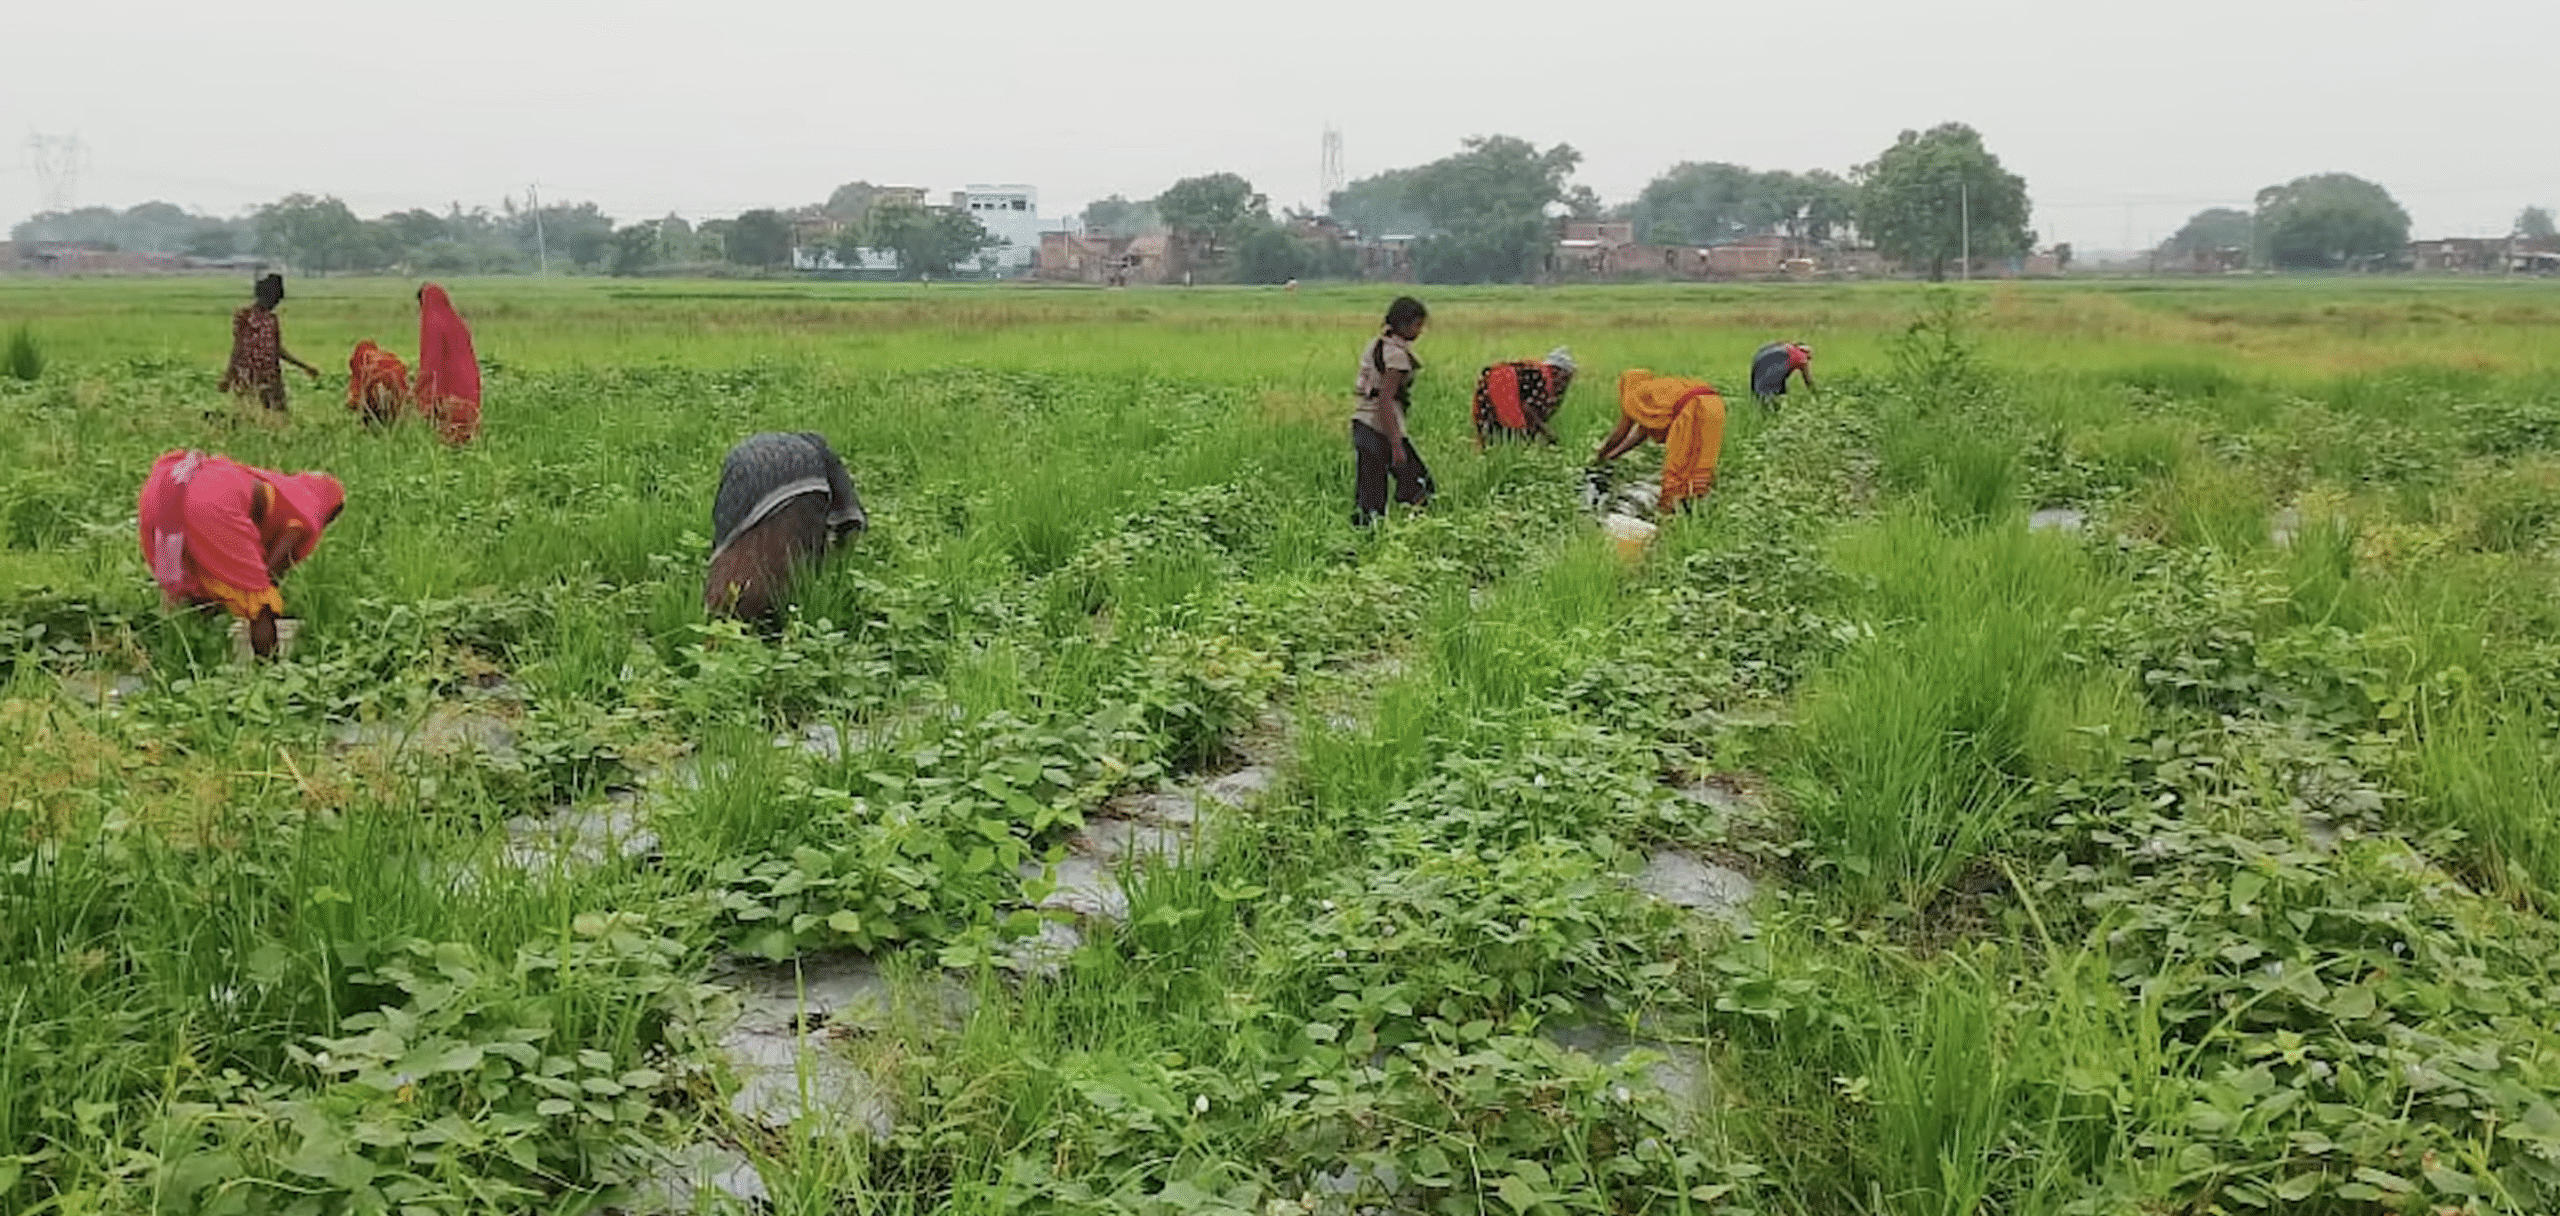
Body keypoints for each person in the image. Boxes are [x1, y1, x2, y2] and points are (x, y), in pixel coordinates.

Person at [136, 450, 345, 659]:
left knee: (199, 583)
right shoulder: (304, 517)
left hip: (166, 491)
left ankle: (189, 657)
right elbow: (269, 574)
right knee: (261, 603)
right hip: (214, 501)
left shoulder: (283, 490)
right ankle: (269, 676)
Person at [706, 432, 869, 621]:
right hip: (798, 472)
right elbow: (848, 521)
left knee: (747, 543)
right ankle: (770, 603)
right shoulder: (825, 461)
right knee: (793, 548)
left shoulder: (756, 449)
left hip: (743, 470)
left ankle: (733, 604)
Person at [1591, 369, 1728, 515]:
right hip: (1714, 404)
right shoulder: (1656, 392)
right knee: (1702, 460)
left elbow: (1621, 432)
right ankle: (1697, 506)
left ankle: (1668, 513)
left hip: (1692, 408)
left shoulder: (1634, 394)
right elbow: (1642, 432)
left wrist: (1602, 455)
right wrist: (1613, 455)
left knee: (1678, 465)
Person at [1351, 296, 1433, 527]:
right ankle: (1414, 534)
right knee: (1420, 486)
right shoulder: (1397, 356)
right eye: (1418, 325)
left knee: (1370, 494)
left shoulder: (1377, 344)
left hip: (1362, 423)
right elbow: (1386, 401)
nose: (1420, 331)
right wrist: (1396, 445)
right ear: (1405, 325)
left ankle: (1365, 539)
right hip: (1381, 428)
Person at [219, 274, 319, 412]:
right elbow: (238, 347)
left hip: (269, 377)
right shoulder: (244, 315)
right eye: (274, 299)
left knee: (276, 415)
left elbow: (277, 349)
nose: (275, 303)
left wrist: (304, 366)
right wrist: (228, 376)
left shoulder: (271, 319)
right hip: (248, 376)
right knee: (250, 414)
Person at [414, 283, 482, 444]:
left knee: (446, 436)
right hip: (469, 382)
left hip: (449, 385)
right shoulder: (458, 321)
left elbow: (431, 361)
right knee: (466, 431)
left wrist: (418, 389)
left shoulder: (432, 322)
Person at [1471, 346, 1575, 450]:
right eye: (1566, 375)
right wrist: (1548, 435)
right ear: (1558, 371)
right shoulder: (1541, 378)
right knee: (1506, 442)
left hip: (1492, 393)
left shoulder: (1536, 373)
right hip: (1500, 395)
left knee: (1493, 440)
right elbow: (1529, 410)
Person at [346, 340, 412, 425]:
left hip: (376, 397)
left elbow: (352, 401)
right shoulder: (392, 360)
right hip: (398, 400)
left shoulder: (362, 362)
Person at [1750, 340, 1814, 408]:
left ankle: (1765, 408)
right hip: (1779, 358)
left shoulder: (1787, 346)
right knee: (1773, 393)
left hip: (1761, 357)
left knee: (1762, 391)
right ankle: (1773, 409)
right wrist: (1815, 394)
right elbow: (1808, 380)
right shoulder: (1802, 356)